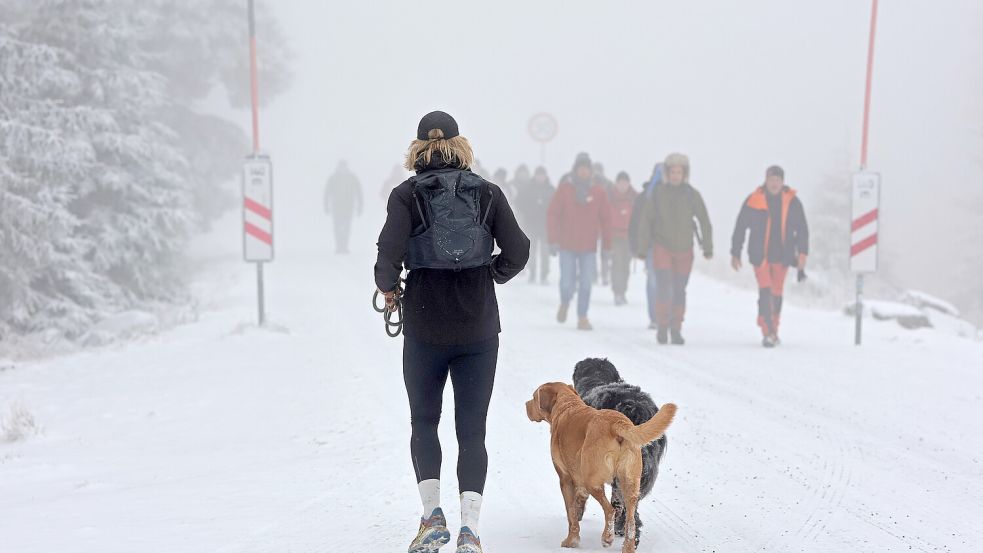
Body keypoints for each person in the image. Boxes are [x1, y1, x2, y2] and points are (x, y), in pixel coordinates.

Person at [375, 111, 529, 553]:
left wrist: (390, 289)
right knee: (472, 430)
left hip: (425, 325)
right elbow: (518, 249)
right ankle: (471, 531)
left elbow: (387, 261)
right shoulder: (489, 193)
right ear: (460, 147)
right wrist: (492, 274)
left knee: (424, 421)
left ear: (418, 150)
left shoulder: (405, 195)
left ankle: (431, 517)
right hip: (480, 327)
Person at [633, 153, 712, 345]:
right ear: (667, 173)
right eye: (673, 172)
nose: (676, 175)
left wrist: (707, 247)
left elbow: (704, 220)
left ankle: (676, 328)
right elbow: (646, 221)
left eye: (680, 172)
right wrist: (642, 248)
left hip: (685, 249)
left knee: (679, 290)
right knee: (663, 288)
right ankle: (662, 325)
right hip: (662, 247)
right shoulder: (658, 194)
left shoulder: (692, 195)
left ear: (685, 173)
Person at [730, 165, 809, 347]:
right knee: (765, 290)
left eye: (778, 180)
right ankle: (767, 331)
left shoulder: (793, 202)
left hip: (783, 256)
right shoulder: (754, 200)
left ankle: (775, 327)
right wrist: (736, 252)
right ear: (766, 181)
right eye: (771, 180)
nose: (774, 184)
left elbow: (803, 230)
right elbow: (740, 227)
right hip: (760, 255)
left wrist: (803, 253)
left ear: (783, 182)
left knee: (777, 293)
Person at [547, 152, 612, 330]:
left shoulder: (598, 192)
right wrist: (553, 240)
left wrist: (607, 245)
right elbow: (553, 213)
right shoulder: (565, 189)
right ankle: (565, 302)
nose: (584, 172)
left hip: (589, 247)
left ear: (591, 171)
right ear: (576, 170)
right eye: (581, 169)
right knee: (567, 282)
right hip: (567, 245)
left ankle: (582, 316)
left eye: (587, 169)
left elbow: (606, 219)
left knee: (585, 283)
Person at [628, 163, 664, 328]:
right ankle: (655, 317)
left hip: (669, 246)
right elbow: (635, 222)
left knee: (666, 282)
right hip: (650, 245)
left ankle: (664, 315)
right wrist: (635, 245)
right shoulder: (644, 197)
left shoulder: (677, 196)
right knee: (654, 280)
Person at [515, 165, 555, 284]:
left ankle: (544, 274)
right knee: (531, 251)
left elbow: (555, 206)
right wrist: (528, 211)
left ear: (545, 176)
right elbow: (519, 202)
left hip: (544, 226)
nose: (540, 178)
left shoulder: (550, 189)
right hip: (531, 224)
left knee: (545, 252)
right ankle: (532, 272)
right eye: (538, 175)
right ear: (535, 176)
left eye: (542, 175)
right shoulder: (528, 188)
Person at [608, 171, 638, 305]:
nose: (623, 186)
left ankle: (623, 291)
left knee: (625, 264)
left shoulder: (634, 197)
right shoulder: (609, 196)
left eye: (625, 183)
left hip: (629, 236)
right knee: (617, 262)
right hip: (614, 235)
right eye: (620, 183)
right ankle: (617, 292)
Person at [323, 160, 363, 254]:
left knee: (347, 227)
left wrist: (360, 206)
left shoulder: (352, 178)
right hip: (336, 207)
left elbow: (359, 192)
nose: (342, 169)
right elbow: (327, 193)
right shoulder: (333, 178)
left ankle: (344, 247)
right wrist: (326, 206)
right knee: (337, 227)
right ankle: (339, 247)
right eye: (341, 167)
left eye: (344, 167)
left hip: (348, 207)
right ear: (338, 167)